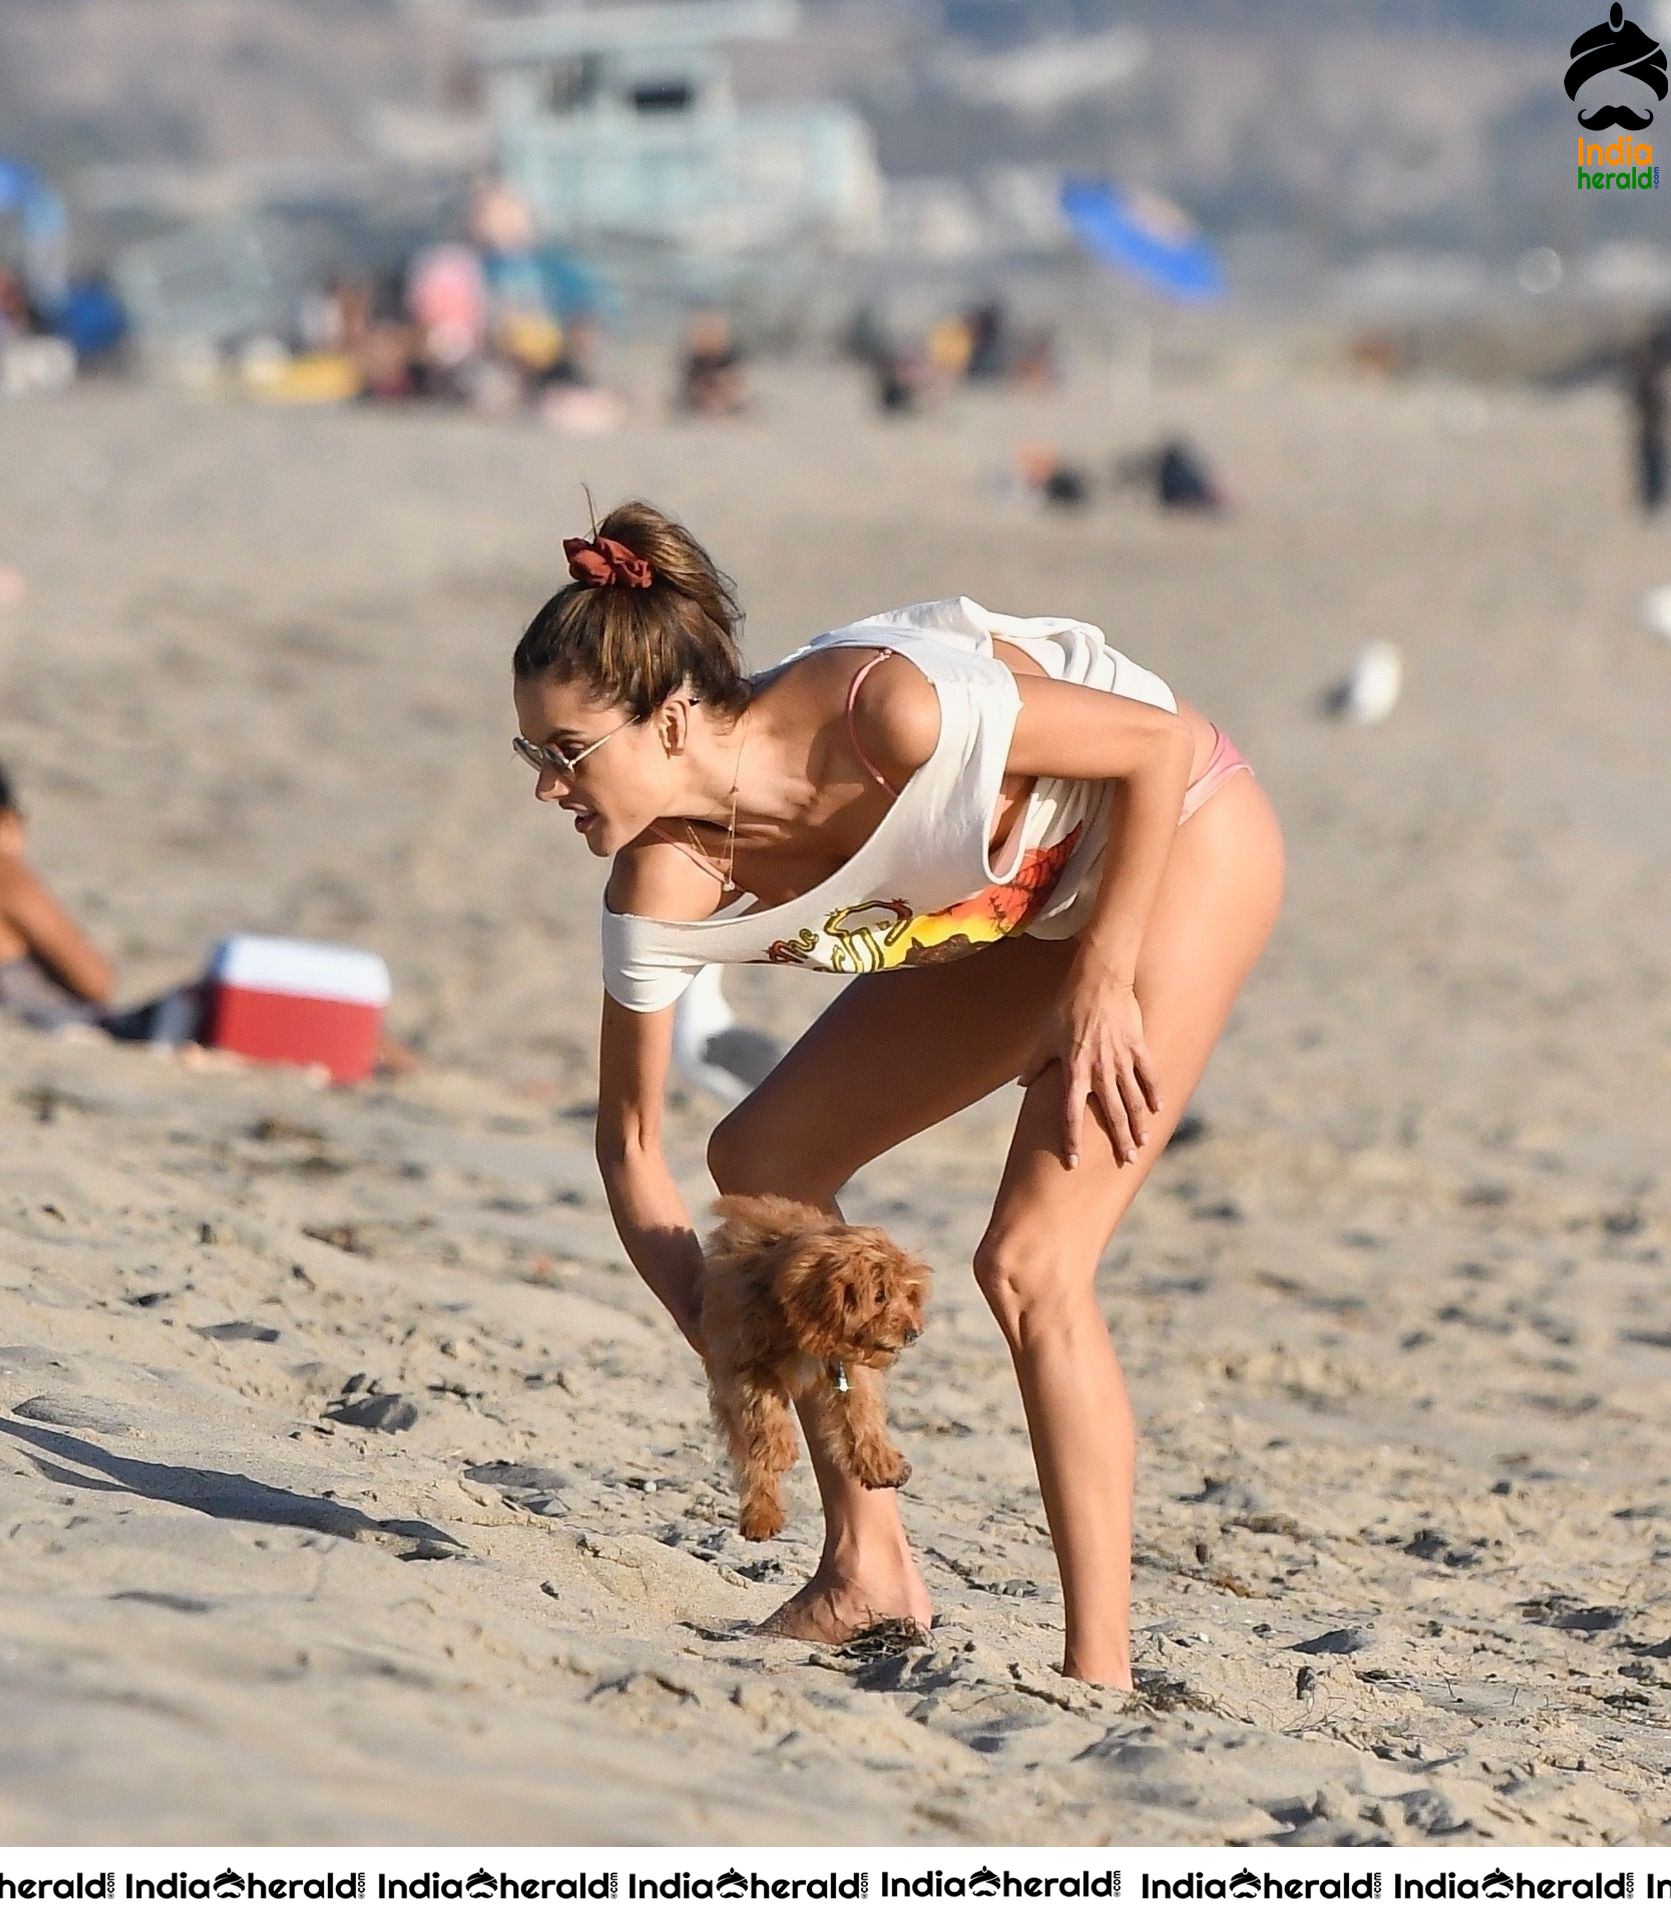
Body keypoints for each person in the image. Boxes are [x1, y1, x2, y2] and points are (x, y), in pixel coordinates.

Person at [509, 503, 1285, 1690]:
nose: (547, 789)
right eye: (533, 759)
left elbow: (1158, 745)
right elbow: (631, 1151)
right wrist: (731, 1336)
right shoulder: (656, 883)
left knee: (1030, 1263)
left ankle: (1101, 1673)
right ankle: (867, 1566)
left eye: (566, 754)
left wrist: (1105, 980)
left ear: (669, 720)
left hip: (1175, 842)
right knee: (765, 1164)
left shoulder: (885, 714)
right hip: (1021, 915)